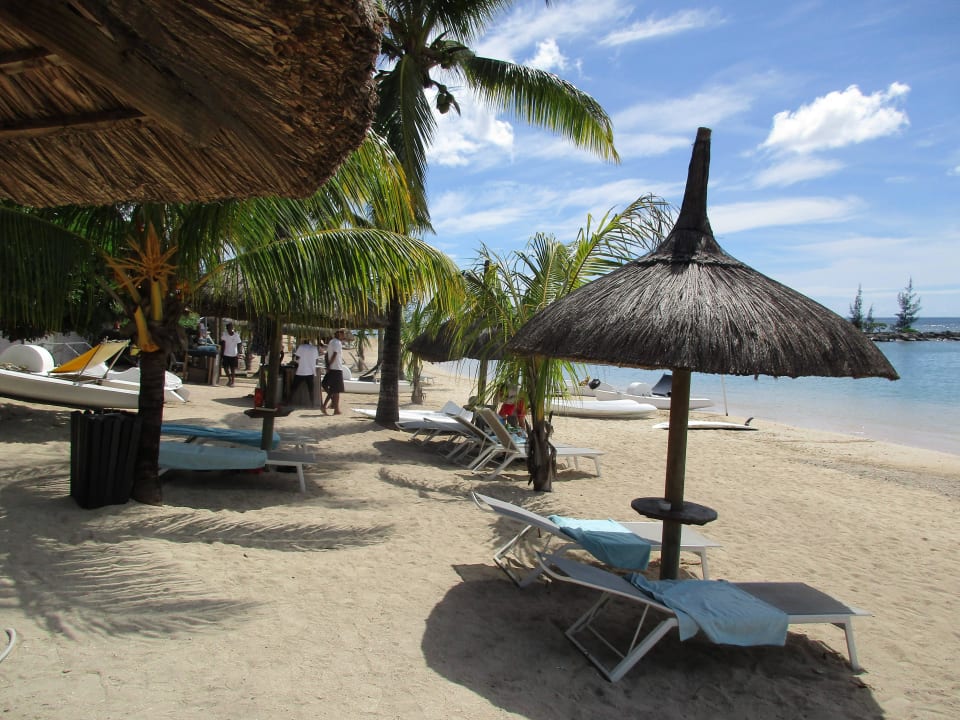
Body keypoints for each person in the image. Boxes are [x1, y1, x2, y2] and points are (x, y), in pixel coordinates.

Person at [321, 328, 346, 415]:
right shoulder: (337, 343)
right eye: (343, 333)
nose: (344, 335)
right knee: (335, 390)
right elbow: (335, 354)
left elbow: (327, 355)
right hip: (336, 368)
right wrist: (329, 365)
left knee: (334, 390)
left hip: (333, 368)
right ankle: (326, 406)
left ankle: (336, 409)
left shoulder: (331, 342)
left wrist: (328, 365)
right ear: (339, 334)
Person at [290, 337, 320, 408]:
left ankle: (288, 401)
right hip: (310, 372)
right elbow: (316, 360)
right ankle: (312, 404)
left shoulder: (301, 347)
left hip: (301, 371)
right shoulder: (314, 348)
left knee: (293, 388)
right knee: (311, 390)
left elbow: (296, 358)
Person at [219, 321, 243, 387]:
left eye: (231, 327)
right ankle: (229, 378)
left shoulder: (236, 335)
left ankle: (233, 381)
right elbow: (222, 343)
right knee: (225, 368)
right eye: (228, 328)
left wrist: (239, 352)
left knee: (233, 369)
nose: (230, 329)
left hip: (234, 354)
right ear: (227, 328)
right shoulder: (224, 334)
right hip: (226, 354)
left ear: (232, 328)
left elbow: (239, 343)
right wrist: (222, 353)